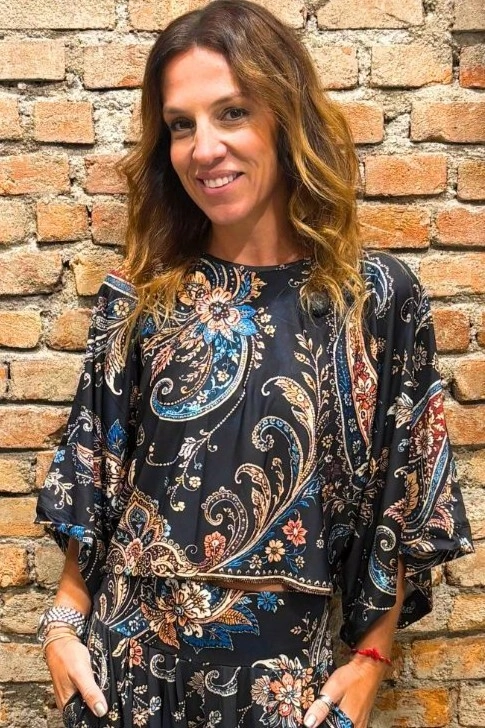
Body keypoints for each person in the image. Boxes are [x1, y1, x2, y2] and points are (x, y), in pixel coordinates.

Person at [35, 2, 473, 727]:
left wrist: (370, 659)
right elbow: (95, 489)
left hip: (285, 691)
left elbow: (402, 500)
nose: (204, 148)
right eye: (181, 125)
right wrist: (60, 630)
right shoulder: (139, 303)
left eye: (232, 112)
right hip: (125, 683)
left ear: (285, 116)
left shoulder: (375, 300)